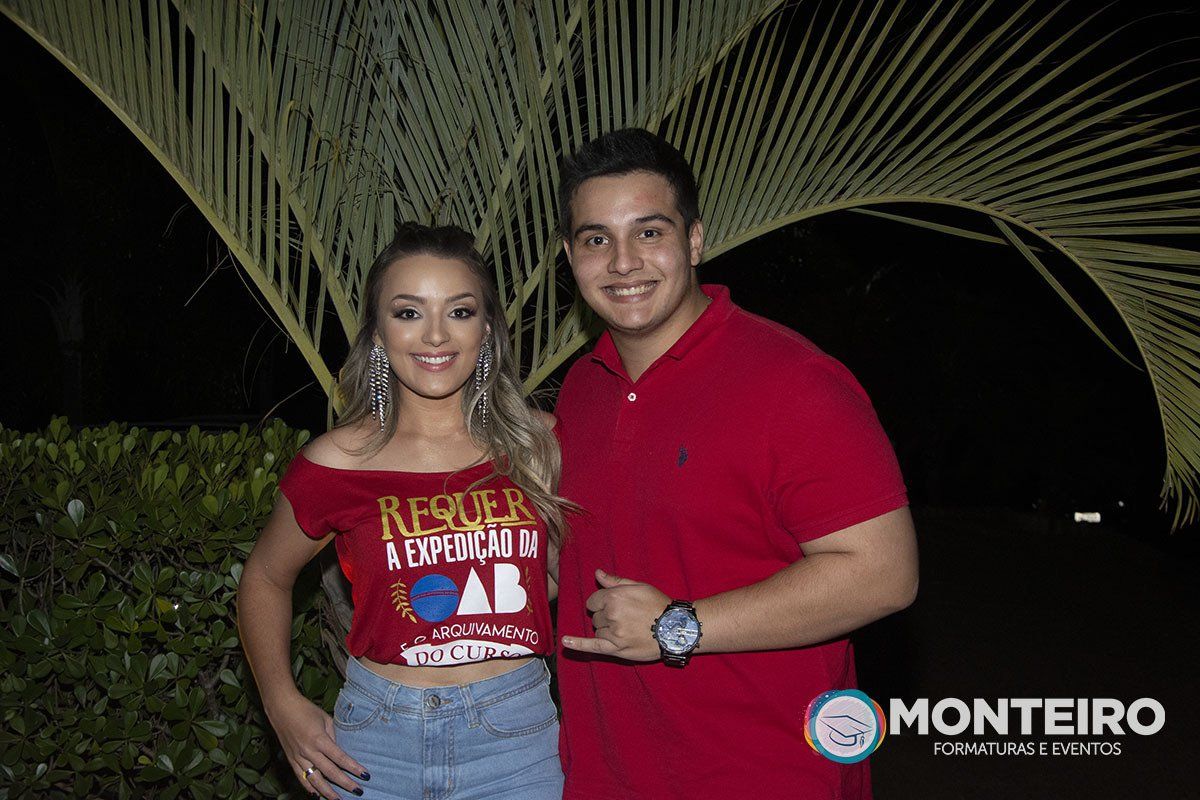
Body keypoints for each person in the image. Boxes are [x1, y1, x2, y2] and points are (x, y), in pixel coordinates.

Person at [552, 128, 919, 799]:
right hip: (605, 779)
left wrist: (677, 627)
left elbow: (884, 574)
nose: (623, 262)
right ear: (571, 257)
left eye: (650, 232)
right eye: (596, 239)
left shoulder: (794, 382)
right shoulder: (582, 389)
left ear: (694, 241)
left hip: (766, 774)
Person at [237, 223, 569, 800]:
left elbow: (560, 577)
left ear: (487, 329)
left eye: (460, 311)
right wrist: (280, 702)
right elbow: (264, 577)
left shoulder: (539, 445)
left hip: (515, 740)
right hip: (376, 742)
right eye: (409, 312)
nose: (435, 334)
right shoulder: (336, 462)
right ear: (378, 333)